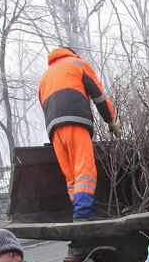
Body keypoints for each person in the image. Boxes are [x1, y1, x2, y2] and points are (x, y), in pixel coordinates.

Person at [38, 46, 119, 221]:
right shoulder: (77, 63)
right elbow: (98, 96)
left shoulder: (45, 76)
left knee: (71, 175)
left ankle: (78, 213)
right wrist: (110, 120)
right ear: (73, 53)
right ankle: (83, 213)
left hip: (54, 128)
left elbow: (43, 105)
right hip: (75, 120)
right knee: (84, 170)